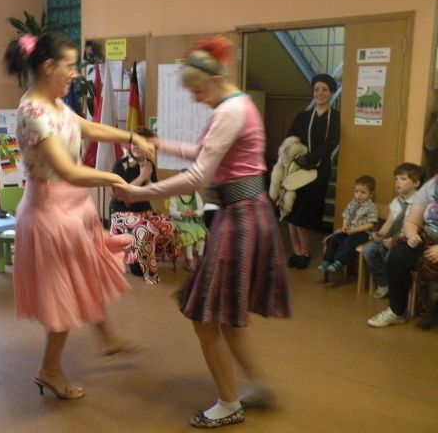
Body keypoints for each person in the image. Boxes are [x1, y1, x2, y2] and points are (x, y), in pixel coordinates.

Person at [113, 37, 291, 428]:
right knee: (223, 315)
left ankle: (229, 403)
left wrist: (138, 193)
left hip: (240, 216)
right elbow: (204, 153)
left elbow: (198, 176)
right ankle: (258, 387)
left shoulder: (230, 111)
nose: (195, 98)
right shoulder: (235, 105)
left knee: (205, 316)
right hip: (242, 213)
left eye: (197, 90)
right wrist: (161, 143)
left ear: (213, 80)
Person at [4, 32, 155, 399]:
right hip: (50, 213)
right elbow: (68, 171)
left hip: (72, 208)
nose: (75, 73)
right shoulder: (33, 113)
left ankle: (108, 337)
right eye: (70, 66)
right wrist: (116, 179)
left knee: (84, 274)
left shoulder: (56, 105)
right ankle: (49, 369)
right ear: (48, 66)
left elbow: (88, 127)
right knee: (64, 292)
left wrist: (131, 138)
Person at [109, 127, 180, 285]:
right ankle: (146, 269)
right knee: (145, 230)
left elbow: (154, 193)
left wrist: (148, 178)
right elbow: (120, 196)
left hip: (144, 212)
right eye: (135, 142)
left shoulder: (149, 165)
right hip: (122, 213)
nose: (137, 147)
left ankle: (149, 256)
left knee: (170, 226)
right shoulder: (120, 165)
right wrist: (141, 177)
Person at [368, 171, 438, 328]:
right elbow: (412, 220)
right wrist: (412, 235)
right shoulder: (431, 186)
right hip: (430, 238)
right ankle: (396, 311)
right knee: (398, 255)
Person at [285, 74, 340, 269]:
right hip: (297, 168)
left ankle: (306, 252)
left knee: (306, 213)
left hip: (318, 170)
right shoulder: (303, 116)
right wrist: (296, 157)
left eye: (324, 89)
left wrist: (309, 158)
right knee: (291, 211)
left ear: (331, 93)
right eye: (316, 89)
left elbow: (330, 143)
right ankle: (296, 252)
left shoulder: (335, 118)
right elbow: (291, 138)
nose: (320, 93)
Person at [363, 163, 424, 299]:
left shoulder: (420, 202)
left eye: (403, 179)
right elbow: (390, 222)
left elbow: (417, 229)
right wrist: (380, 234)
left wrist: (396, 240)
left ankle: (398, 290)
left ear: (416, 183)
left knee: (392, 257)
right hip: (390, 237)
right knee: (369, 250)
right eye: (396, 179)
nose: (397, 182)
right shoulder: (396, 200)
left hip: (406, 241)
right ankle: (384, 283)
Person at [318, 176, 378, 278]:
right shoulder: (353, 202)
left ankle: (339, 262)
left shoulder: (371, 207)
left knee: (349, 241)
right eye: (356, 191)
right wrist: (344, 225)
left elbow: (371, 224)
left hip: (363, 233)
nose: (358, 195)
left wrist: (355, 230)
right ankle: (327, 260)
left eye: (363, 192)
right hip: (350, 230)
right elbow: (346, 214)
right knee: (334, 238)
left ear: (371, 194)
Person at [168, 181, 209, 272]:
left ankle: (200, 256)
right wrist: (182, 213)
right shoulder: (175, 195)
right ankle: (189, 259)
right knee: (189, 234)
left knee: (202, 232)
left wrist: (195, 212)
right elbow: (172, 212)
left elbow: (201, 210)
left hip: (193, 221)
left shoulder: (195, 195)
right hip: (179, 222)